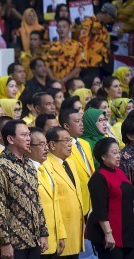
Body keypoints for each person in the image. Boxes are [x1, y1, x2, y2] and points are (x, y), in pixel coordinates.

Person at [0, 120, 49, 258]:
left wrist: (43, 233)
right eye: (24, 135)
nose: (29, 138)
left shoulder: (28, 163)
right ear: (10, 139)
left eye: (29, 135)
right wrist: (5, 242)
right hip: (14, 242)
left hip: (34, 239)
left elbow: (36, 200)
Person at [88, 137, 134, 258]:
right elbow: (100, 209)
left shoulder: (119, 172)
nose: (118, 155)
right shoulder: (98, 177)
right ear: (103, 157)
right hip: (110, 236)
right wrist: (108, 233)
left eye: (118, 152)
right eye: (114, 153)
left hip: (127, 233)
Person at [45, 127, 84, 258]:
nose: (70, 144)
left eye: (70, 140)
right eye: (66, 140)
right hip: (61, 233)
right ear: (52, 144)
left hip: (76, 229)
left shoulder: (70, 163)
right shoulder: (45, 165)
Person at [28, 128, 66, 258]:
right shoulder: (25, 171)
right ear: (29, 147)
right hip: (38, 241)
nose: (46, 148)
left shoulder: (46, 167)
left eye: (46, 144)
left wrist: (61, 234)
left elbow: (55, 203)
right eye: (41, 144)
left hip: (54, 239)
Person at [59, 108, 95, 216]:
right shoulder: (63, 146)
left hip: (92, 197)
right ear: (66, 126)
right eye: (77, 121)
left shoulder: (85, 144)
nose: (81, 124)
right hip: (78, 199)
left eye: (82, 121)